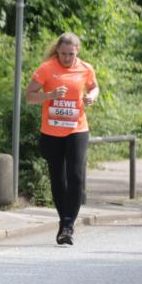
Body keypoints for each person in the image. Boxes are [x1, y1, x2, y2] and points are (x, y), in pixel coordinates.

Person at [26, 33, 99, 245]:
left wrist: (91, 96)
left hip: (77, 129)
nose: (67, 58)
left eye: (71, 54)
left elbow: (94, 86)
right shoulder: (46, 69)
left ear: (78, 51)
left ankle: (68, 224)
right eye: (63, 54)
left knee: (76, 175)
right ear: (57, 51)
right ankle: (63, 219)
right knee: (58, 178)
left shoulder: (86, 68)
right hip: (51, 131)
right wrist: (50, 96)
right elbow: (30, 96)